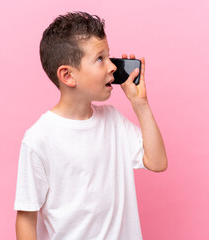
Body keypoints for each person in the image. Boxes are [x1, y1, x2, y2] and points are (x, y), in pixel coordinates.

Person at [14, 11, 168, 240]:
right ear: (67, 75)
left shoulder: (113, 121)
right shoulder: (39, 139)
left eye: (109, 56)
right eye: (100, 58)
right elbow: (26, 217)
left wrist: (140, 103)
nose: (113, 67)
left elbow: (157, 162)